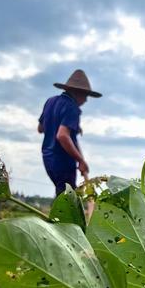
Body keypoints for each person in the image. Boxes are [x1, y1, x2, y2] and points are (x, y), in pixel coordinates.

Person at [37, 69, 102, 197]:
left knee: (62, 193)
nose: (85, 100)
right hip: (62, 160)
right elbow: (62, 136)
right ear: (77, 92)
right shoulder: (72, 108)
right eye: (85, 95)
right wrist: (81, 160)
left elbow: (41, 128)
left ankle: (58, 217)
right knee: (67, 198)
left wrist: (72, 126)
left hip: (48, 159)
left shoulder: (50, 102)